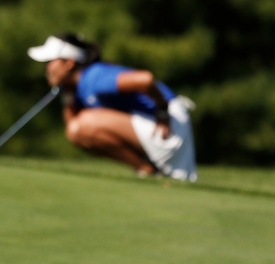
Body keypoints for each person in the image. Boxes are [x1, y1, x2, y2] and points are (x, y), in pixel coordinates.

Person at [28, 34, 197, 181]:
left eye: (50, 62)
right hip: (157, 125)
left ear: (69, 63)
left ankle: (146, 169)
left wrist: (162, 112)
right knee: (76, 130)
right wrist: (67, 97)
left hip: (170, 123)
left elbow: (145, 79)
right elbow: (73, 132)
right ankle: (147, 169)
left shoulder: (93, 77)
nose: (46, 68)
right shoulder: (77, 89)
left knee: (84, 123)